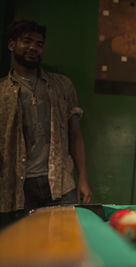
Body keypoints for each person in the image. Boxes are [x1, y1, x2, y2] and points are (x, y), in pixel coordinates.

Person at [0, 20, 92, 218]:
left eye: (39, 44)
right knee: (24, 246)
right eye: (27, 41)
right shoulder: (1, 92)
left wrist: (83, 178)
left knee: (64, 244)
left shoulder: (62, 86)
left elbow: (75, 134)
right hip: (17, 187)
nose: (33, 47)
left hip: (60, 183)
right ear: (12, 45)